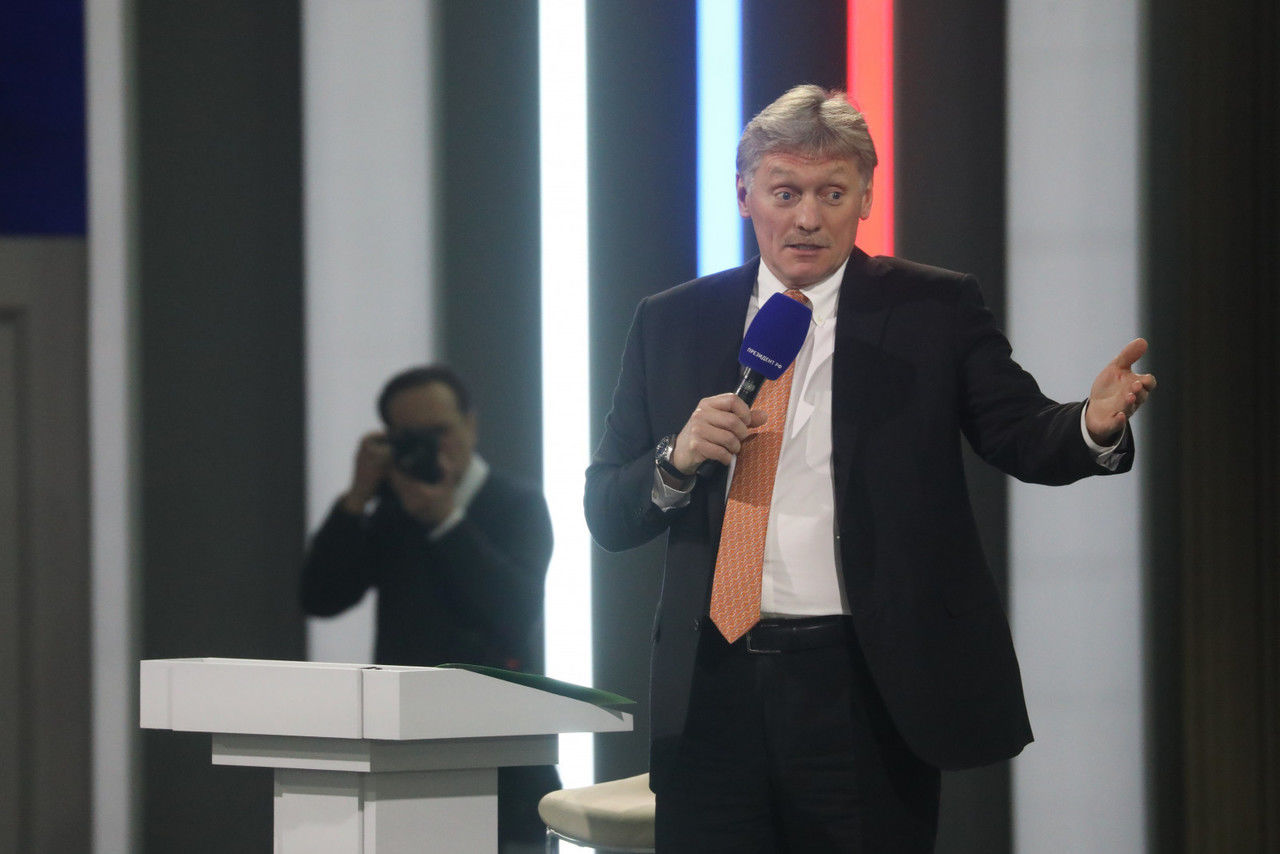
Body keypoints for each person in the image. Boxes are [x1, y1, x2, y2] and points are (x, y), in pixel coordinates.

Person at [584, 84, 1155, 852]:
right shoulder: (672, 320)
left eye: (832, 193)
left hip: (863, 687)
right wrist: (677, 458)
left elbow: (1019, 433)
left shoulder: (933, 310)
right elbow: (606, 508)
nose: (808, 218)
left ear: (866, 198)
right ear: (744, 195)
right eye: (785, 193)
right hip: (712, 689)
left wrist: (1091, 424)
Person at [301, 364, 558, 853]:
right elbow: (320, 596)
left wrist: (445, 520)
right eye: (411, 437)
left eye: (440, 430)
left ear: (470, 425)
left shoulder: (517, 505)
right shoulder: (392, 510)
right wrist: (356, 498)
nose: (433, 447)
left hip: (503, 763)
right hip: (405, 758)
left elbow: (515, 613)